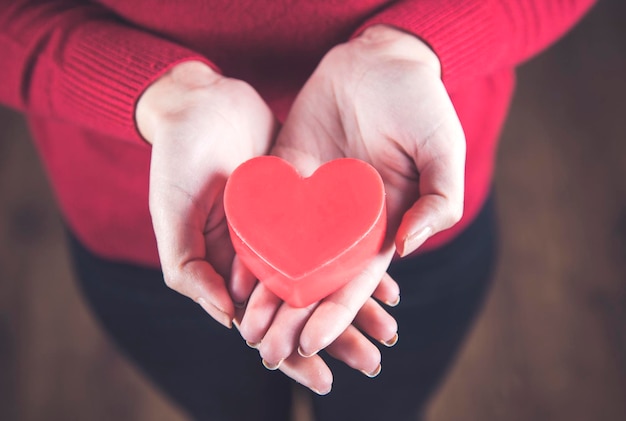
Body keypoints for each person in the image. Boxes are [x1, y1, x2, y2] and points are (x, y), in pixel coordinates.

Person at [0, 1, 595, 420]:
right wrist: (161, 98)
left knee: (385, 410)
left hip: (404, 195)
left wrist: (416, 46)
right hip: (160, 221)